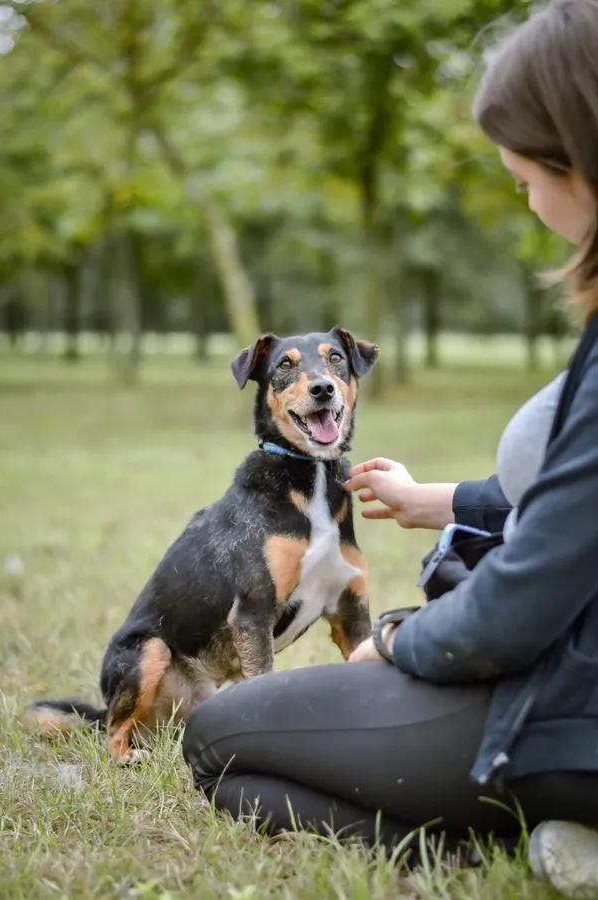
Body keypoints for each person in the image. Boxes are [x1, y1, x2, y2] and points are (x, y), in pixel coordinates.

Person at [182, 1, 598, 894]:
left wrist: (402, 641)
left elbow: (524, 604)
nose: (519, 188)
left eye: (523, 167)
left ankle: (480, 845)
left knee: (215, 739)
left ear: (577, 150)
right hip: (560, 670)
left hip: (561, 703)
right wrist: (446, 501)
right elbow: (579, 498)